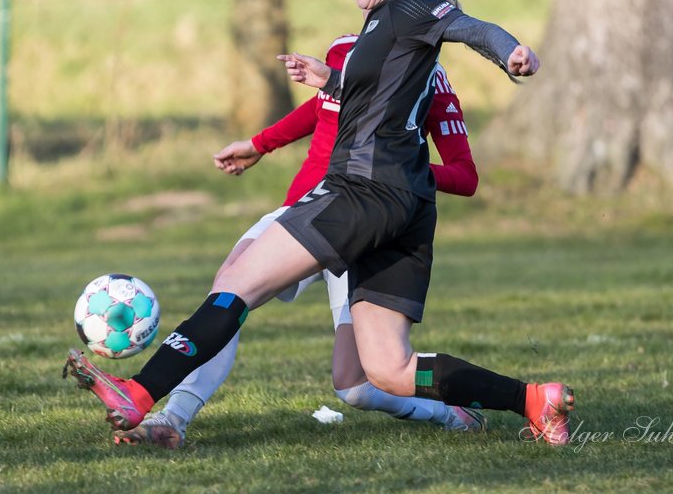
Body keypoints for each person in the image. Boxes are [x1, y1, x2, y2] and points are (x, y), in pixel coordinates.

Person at [65, 0, 575, 446]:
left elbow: (472, 28)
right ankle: (534, 400)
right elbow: (373, 97)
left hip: (360, 192)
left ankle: (141, 394)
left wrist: (510, 53)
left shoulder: (411, 7)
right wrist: (327, 82)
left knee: (235, 287)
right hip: (405, 206)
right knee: (389, 370)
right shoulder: (381, 25)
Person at [111, 34, 485, 449]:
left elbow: (465, 176)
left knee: (356, 386)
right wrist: (259, 144)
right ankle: (174, 418)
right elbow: (320, 108)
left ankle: (450, 409)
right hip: (302, 215)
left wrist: (395, 172)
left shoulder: (431, 82)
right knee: (228, 290)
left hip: (366, 228)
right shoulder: (346, 51)